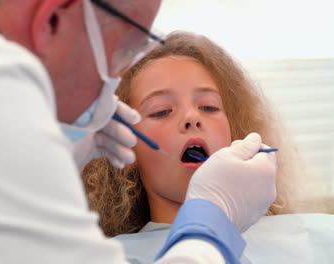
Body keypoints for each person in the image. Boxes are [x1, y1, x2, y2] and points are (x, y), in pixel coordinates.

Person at [0, 1, 276, 263]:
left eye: (208, 106)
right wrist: (213, 220)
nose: (191, 118)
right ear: (54, 18)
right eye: (125, 53)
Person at [81, 31, 334, 263]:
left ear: (234, 132)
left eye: (209, 107)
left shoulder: (320, 237)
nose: (192, 117)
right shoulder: (102, 258)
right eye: (161, 111)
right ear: (122, 146)